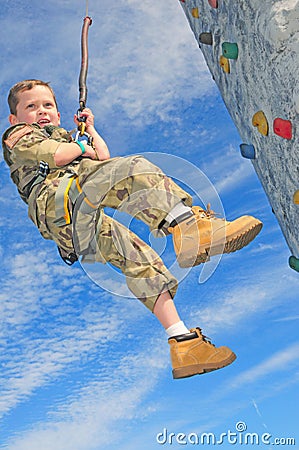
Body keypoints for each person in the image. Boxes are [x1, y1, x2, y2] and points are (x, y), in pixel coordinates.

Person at [2, 79, 263, 379]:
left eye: (48, 105)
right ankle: (191, 229)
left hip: (78, 221)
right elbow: (60, 157)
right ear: (15, 118)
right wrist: (79, 145)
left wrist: (91, 131)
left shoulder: (67, 137)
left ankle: (184, 345)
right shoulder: (19, 136)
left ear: (59, 115)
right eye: (31, 107)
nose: (42, 112)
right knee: (133, 168)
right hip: (58, 203)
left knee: (141, 259)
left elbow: (103, 160)